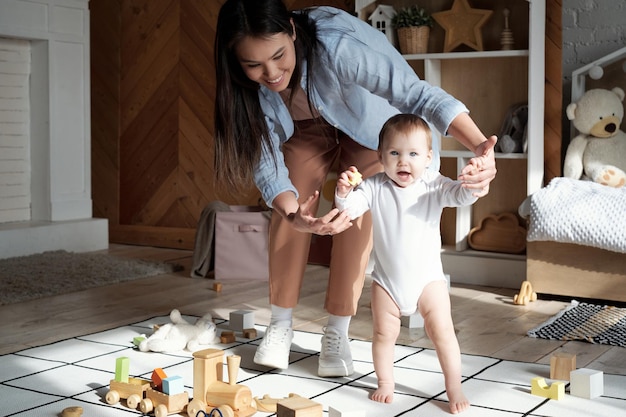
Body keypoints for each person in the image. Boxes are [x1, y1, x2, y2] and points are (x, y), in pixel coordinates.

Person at [213, 0, 497, 378]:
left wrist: (480, 146)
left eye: (279, 56)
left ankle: (337, 331)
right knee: (291, 204)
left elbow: (415, 94)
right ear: (237, 62)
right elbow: (266, 161)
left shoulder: (337, 46)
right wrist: (294, 214)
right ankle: (280, 324)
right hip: (304, 131)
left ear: (293, 32)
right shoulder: (247, 89)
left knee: (359, 207)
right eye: (254, 65)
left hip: (368, 128)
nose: (271, 73)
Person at [335, 114, 478, 413]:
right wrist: (343, 193)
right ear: (380, 157)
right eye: (395, 153)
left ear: (429, 158)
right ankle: (385, 382)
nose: (404, 161)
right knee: (383, 335)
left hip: (428, 281)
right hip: (386, 282)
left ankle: (454, 386)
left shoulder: (433, 185)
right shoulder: (374, 187)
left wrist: (471, 182)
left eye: (413, 154)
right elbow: (349, 210)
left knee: (443, 334)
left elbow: (460, 196)